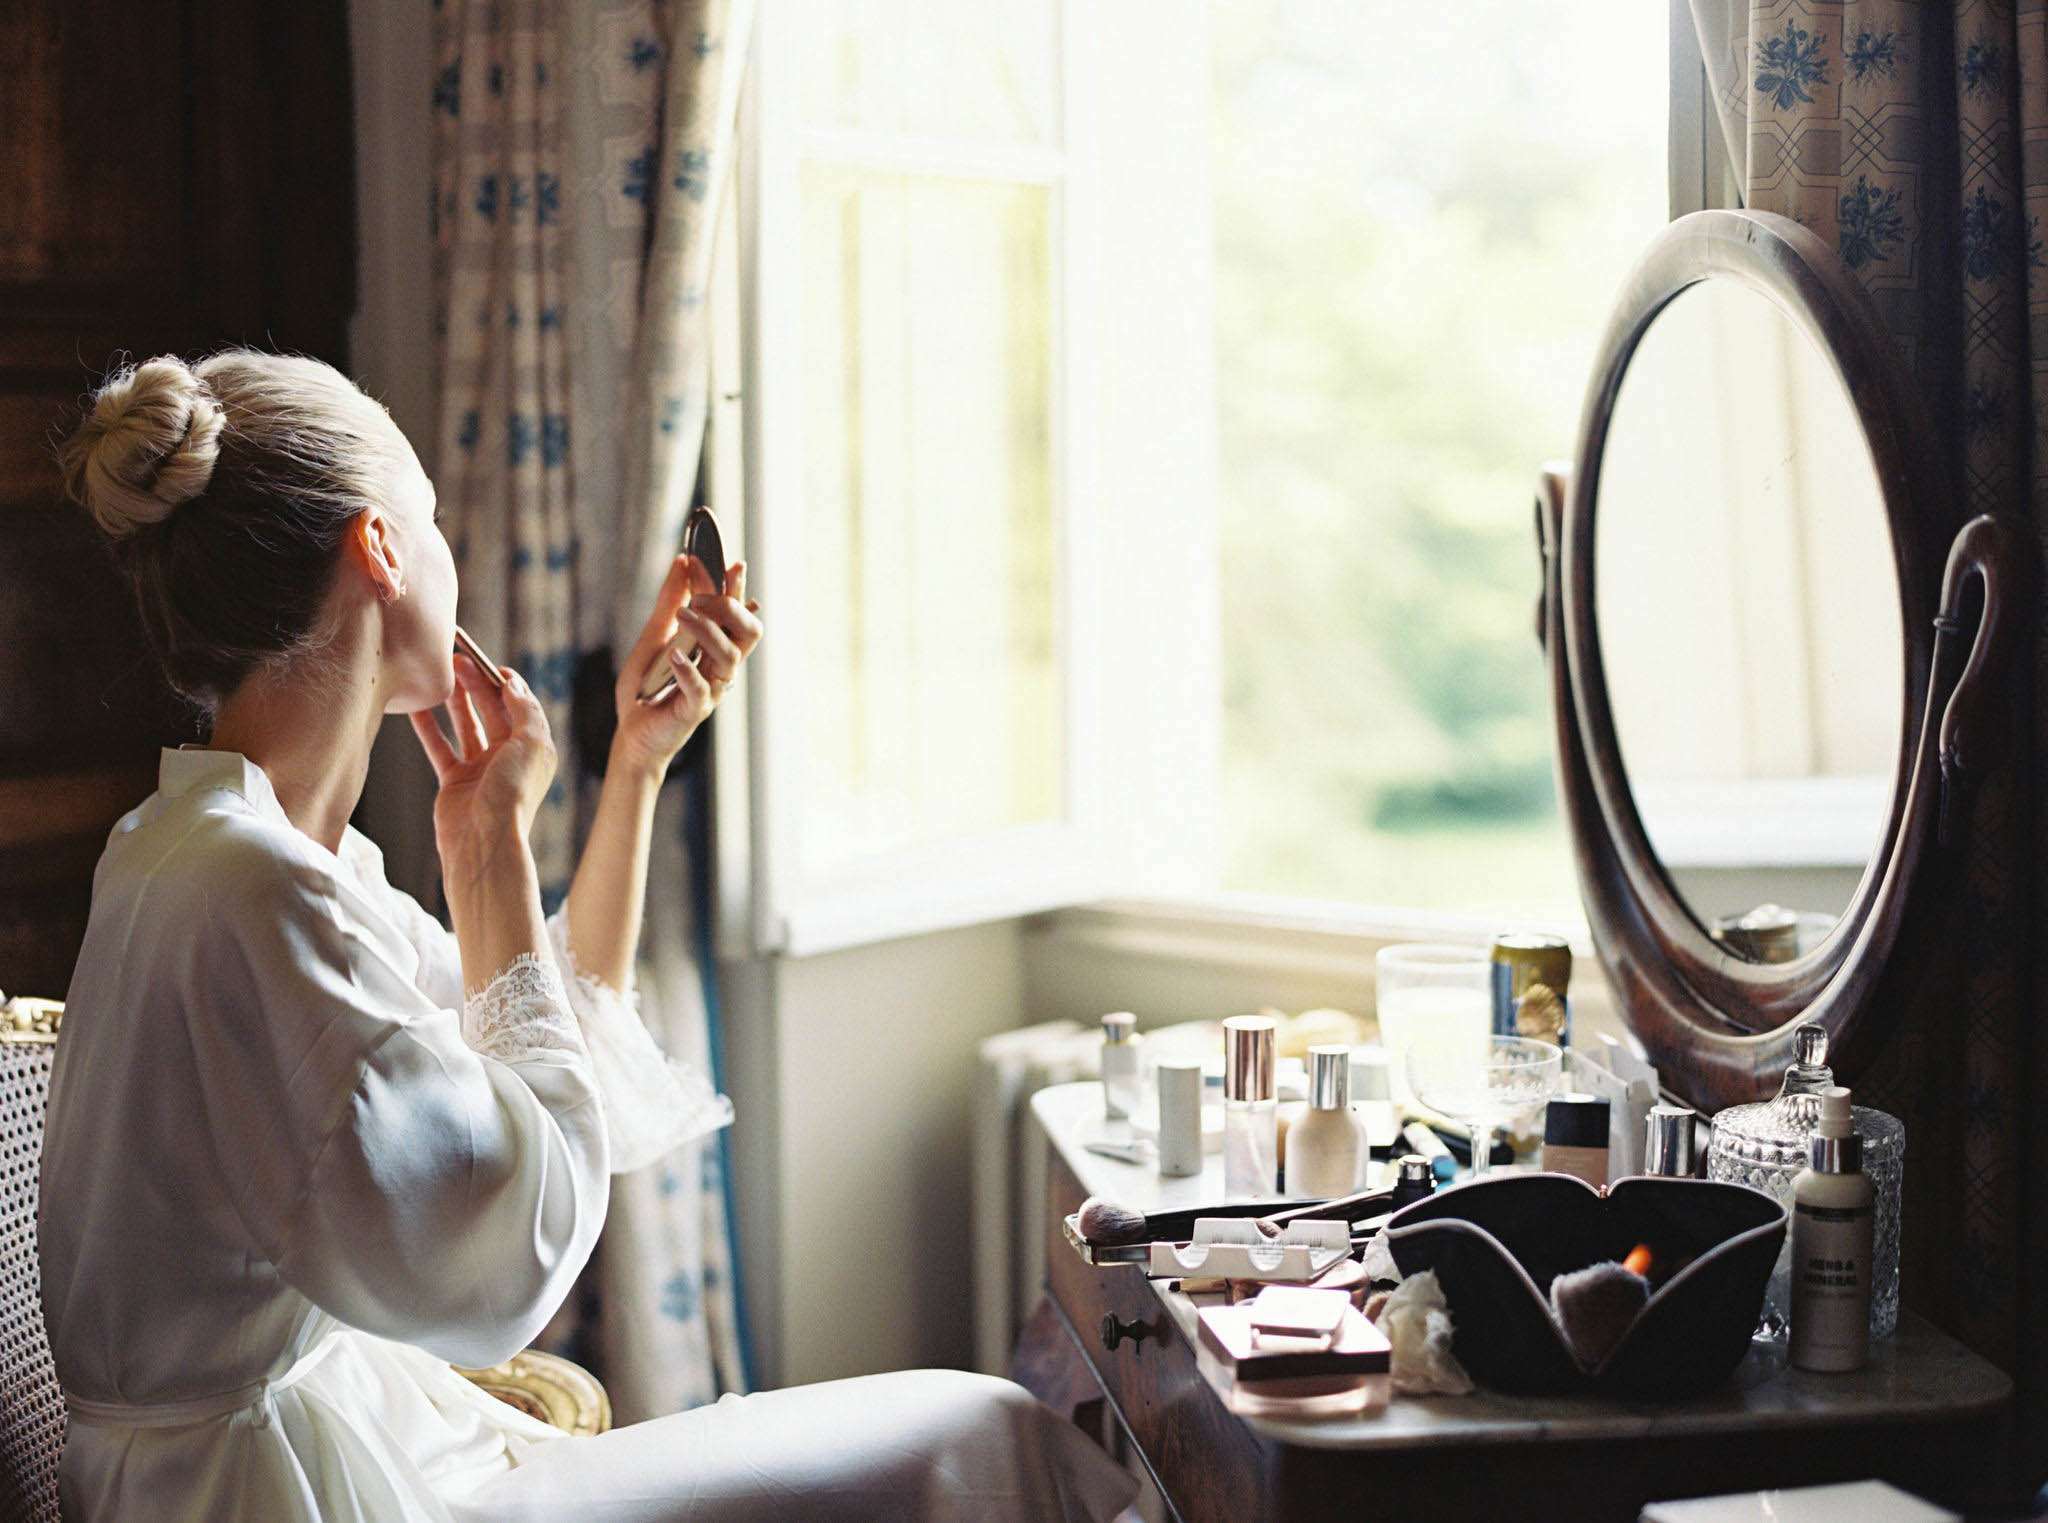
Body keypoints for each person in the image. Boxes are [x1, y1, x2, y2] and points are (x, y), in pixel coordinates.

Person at [36, 351, 1137, 1523]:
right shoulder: (255, 893)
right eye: (435, 518)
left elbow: (539, 1043)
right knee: (983, 1433)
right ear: (380, 549)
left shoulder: (224, 850)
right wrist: (489, 854)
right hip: (278, 1496)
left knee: (968, 1434)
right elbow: (512, 1236)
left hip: (319, 1448)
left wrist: (630, 766)